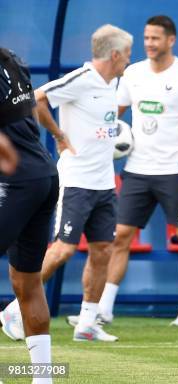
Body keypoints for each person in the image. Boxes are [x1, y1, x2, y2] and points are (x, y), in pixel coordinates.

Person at [68, 15, 178, 328]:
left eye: (155, 38)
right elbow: (110, 117)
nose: (149, 44)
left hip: (176, 172)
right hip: (137, 171)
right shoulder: (132, 74)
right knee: (120, 238)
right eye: (146, 38)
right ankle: (104, 309)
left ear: (171, 40)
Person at [1, 25, 133, 343]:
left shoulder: (114, 83)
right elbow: (39, 98)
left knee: (104, 249)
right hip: (76, 180)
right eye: (127, 54)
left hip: (104, 182)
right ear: (115, 54)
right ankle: (14, 310)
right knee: (63, 249)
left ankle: (87, 323)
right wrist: (60, 137)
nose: (129, 60)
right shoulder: (81, 79)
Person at [0, 47, 58, 384]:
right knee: (27, 282)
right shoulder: (14, 59)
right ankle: (43, 379)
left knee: (28, 283)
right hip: (44, 175)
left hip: (16, 182)